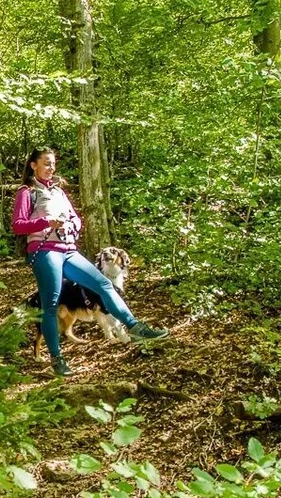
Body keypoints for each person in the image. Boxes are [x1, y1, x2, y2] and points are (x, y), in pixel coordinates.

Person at [11, 148, 166, 376]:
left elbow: (75, 218)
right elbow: (18, 225)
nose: (51, 167)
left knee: (103, 284)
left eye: (53, 163)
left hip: (69, 250)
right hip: (45, 252)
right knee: (51, 305)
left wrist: (71, 225)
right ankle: (56, 358)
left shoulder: (59, 192)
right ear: (34, 165)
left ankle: (135, 327)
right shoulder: (27, 192)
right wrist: (47, 221)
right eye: (46, 163)